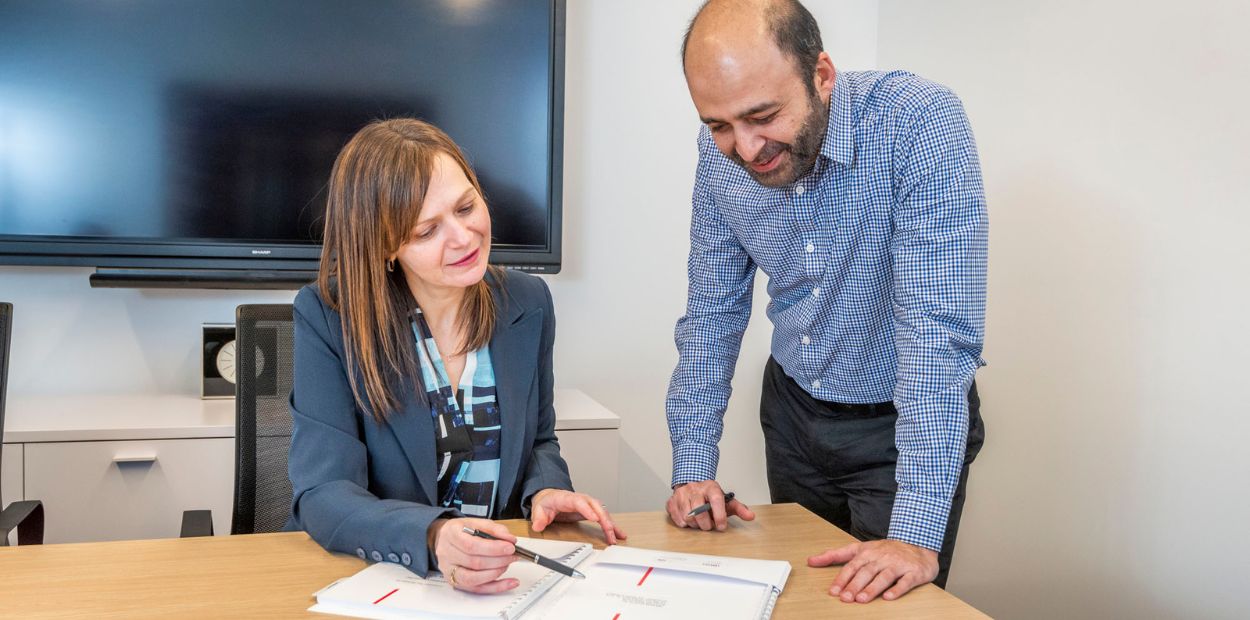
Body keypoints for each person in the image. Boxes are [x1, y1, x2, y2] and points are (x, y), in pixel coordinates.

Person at [664, 0, 987, 604]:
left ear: (821, 75)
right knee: (801, 603)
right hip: (792, 415)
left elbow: (936, 333)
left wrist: (916, 534)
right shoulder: (720, 156)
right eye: (719, 125)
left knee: (886, 606)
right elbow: (711, 313)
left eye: (763, 115)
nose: (746, 147)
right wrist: (692, 469)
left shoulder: (918, 123)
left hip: (899, 429)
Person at [288, 118, 624, 594]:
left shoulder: (527, 303)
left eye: (467, 207)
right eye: (426, 231)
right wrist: (432, 535)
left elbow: (540, 440)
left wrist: (546, 489)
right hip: (376, 582)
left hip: (497, 581)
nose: (464, 238)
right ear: (386, 245)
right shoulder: (330, 315)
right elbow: (323, 494)